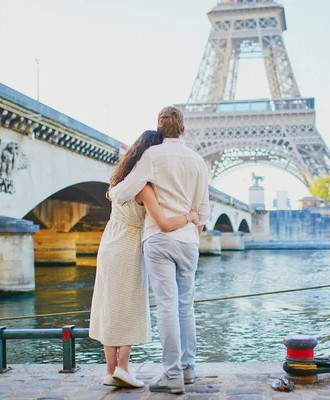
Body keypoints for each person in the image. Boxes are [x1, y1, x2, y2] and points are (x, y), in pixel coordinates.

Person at [109, 106, 210, 394]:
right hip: (188, 240)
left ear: (158, 128)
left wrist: (114, 190)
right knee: (186, 307)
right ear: (183, 129)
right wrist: (193, 234)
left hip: (159, 239)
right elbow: (203, 210)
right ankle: (189, 369)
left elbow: (123, 191)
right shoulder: (197, 160)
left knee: (167, 307)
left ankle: (172, 374)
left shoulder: (151, 156)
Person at [89, 130, 200, 388]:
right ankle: (124, 368)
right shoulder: (144, 187)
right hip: (128, 246)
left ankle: (109, 371)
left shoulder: (117, 182)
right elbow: (162, 223)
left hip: (108, 243)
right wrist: (190, 217)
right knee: (129, 306)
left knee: (109, 305)